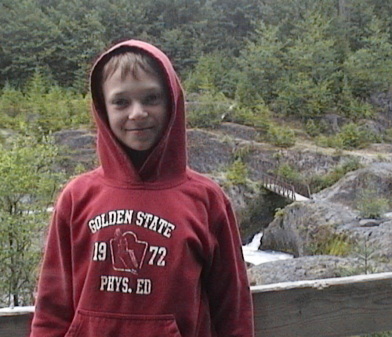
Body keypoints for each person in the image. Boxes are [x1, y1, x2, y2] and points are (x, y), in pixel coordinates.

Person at [30, 39, 254, 337]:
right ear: (102, 108)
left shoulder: (206, 199)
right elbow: (52, 307)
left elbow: (232, 308)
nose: (137, 113)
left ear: (172, 101)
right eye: (121, 102)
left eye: (151, 98)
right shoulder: (77, 197)